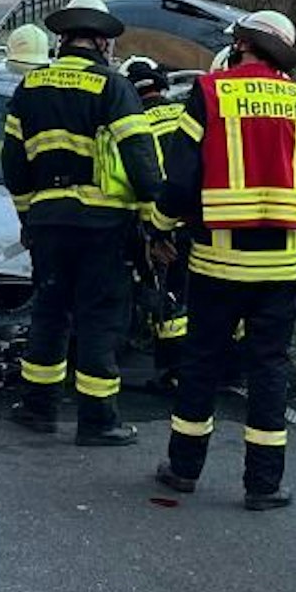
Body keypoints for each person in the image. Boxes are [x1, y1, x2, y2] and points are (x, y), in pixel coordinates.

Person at [154, 11, 296, 510]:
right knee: (269, 370)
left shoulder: (209, 93)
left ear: (241, 47)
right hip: (284, 268)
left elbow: (180, 182)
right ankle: (263, 485)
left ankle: (183, 470)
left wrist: (159, 226)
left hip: (217, 263)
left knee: (202, 363)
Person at [0, 0, 164, 446]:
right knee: (98, 318)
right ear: (102, 43)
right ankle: (97, 420)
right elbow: (141, 161)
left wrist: (27, 217)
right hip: (103, 226)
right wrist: (158, 219)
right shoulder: (113, 88)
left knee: (50, 312)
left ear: (62, 39)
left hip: (49, 222)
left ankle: (38, 408)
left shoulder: (30, 87)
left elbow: (12, 163)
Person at [120, 55, 191, 393]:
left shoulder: (137, 125)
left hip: (164, 220)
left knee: (170, 298)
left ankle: (173, 373)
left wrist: (151, 233)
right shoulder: (187, 114)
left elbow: (143, 180)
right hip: (205, 217)